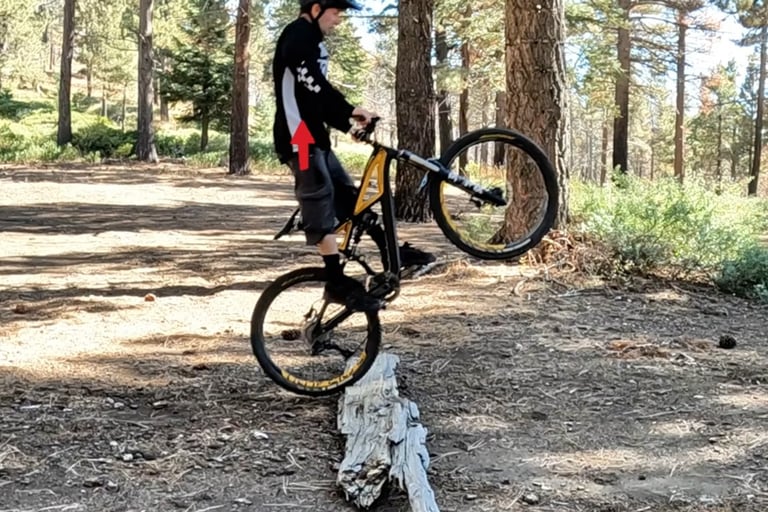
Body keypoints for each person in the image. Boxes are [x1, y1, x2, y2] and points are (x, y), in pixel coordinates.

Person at [272, 0, 435, 312]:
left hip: (313, 138)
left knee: (352, 201)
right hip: (298, 141)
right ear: (317, 8)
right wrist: (350, 110)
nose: (339, 20)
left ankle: (393, 255)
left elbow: (315, 101)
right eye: (336, 13)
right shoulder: (297, 35)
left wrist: (348, 125)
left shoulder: (314, 42)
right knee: (317, 200)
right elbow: (314, 86)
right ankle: (335, 281)